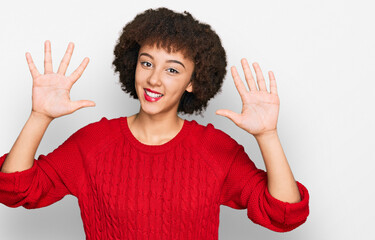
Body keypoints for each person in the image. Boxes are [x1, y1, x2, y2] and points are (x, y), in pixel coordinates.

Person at [0, 7, 309, 240]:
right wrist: (39, 116)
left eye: (172, 70)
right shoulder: (94, 143)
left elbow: (283, 215)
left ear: (193, 81)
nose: (153, 79)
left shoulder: (214, 150)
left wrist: (268, 135)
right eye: (146, 63)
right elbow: (15, 190)